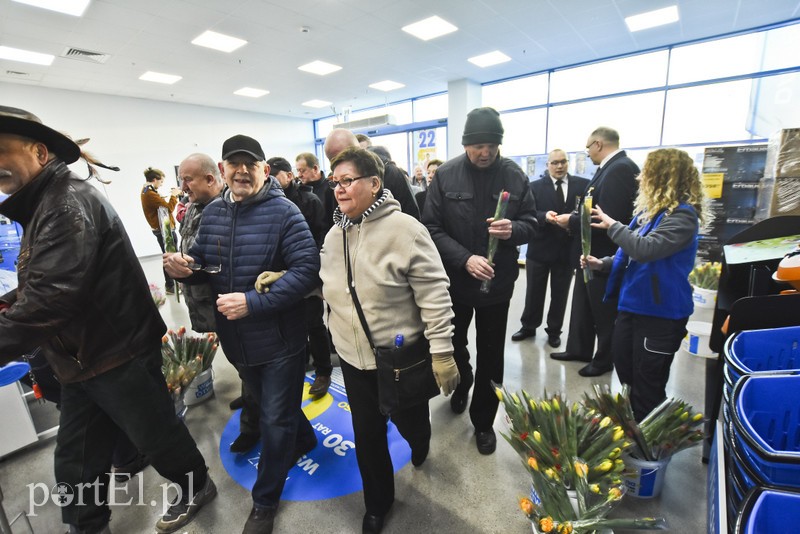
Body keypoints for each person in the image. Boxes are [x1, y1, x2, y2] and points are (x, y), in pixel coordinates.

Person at [0, 106, 214, 534]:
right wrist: (9, 302)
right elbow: (43, 279)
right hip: (82, 358)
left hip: (116, 354)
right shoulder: (48, 201)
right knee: (76, 455)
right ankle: (87, 524)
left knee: (156, 434)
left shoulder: (65, 204)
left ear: (39, 152)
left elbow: (51, 298)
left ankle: (197, 486)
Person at [165, 135, 319, 534]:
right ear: (223, 170)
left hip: (280, 339)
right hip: (237, 340)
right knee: (270, 404)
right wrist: (186, 267)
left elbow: (306, 272)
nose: (242, 171)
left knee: (274, 418)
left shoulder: (285, 213)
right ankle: (304, 439)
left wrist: (253, 302)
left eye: (250, 164)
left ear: (265, 170)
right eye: (234, 164)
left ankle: (265, 502)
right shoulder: (215, 212)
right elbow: (204, 261)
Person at [319, 146, 459, 534]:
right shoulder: (334, 235)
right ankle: (377, 504)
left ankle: (420, 437)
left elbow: (435, 295)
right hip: (353, 359)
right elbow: (330, 285)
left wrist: (442, 353)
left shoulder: (406, 231)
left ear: (374, 183)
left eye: (347, 180)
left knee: (410, 421)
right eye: (335, 182)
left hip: (399, 359)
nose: (339, 189)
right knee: (367, 436)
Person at [423, 107, 537, 455]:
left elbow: (532, 223)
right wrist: (464, 259)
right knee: (455, 344)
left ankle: (484, 420)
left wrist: (513, 229)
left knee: (491, 354)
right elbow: (430, 227)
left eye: (492, 145)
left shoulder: (515, 176)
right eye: (478, 146)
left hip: (497, 285)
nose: (485, 152)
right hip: (455, 283)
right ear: (465, 144)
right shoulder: (446, 175)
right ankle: (462, 383)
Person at [582, 148, 703, 420]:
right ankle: (637, 428)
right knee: (627, 374)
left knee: (647, 385)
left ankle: (649, 438)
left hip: (660, 315)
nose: (639, 179)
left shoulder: (683, 217)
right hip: (633, 308)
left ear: (664, 177)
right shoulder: (649, 213)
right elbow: (627, 255)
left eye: (646, 173)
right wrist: (602, 264)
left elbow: (645, 249)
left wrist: (613, 226)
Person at [551, 126, 639, 377]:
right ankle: (578, 348)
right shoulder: (607, 169)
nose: (588, 153)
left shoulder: (620, 169)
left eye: (588, 147)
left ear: (598, 144)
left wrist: (571, 220)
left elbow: (608, 217)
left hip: (602, 252)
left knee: (603, 311)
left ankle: (603, 360)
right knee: (583, 305)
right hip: (588, 251)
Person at [267, 156, 332, 398]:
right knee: (289, 324)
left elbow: (322, 237)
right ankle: (300, 364)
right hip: (279, 276)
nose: (272, 180)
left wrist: (309, 270)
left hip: (306, 273)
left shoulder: (309, 200)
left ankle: (323, 370)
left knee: (313, 323)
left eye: (276, 175)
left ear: (288, 175)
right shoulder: (268, 203)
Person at [511, 149, 588, 347]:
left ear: (568, 163)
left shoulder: (582, 185)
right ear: (548, 165)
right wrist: (545, 216)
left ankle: (554, 330)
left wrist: (572, 221)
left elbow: (585, 214)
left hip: (566, 250)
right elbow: (527, 213)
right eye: (554, 163)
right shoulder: (534, 187)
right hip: (539, 248)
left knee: (560, 294)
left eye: (563, 162)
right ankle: (528, 326)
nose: (559, 166)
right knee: (534, 292)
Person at [141, 166, 181, 294]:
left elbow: (158, 205)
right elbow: (168, 208)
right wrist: (174, 196)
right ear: (155, 180)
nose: (162, 184)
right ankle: (170, 286)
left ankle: (172, 285)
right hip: (164, 231)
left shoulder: (147, 190)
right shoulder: (150, 194)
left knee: (169, 256)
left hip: (162, 229)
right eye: (161, 181)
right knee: (170, 257)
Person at [295, 151, 334, 231]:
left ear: (315, 169)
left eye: (302, 171)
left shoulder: (331, 189)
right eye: (297, 171)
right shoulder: (298, 191)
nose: (299, 175)